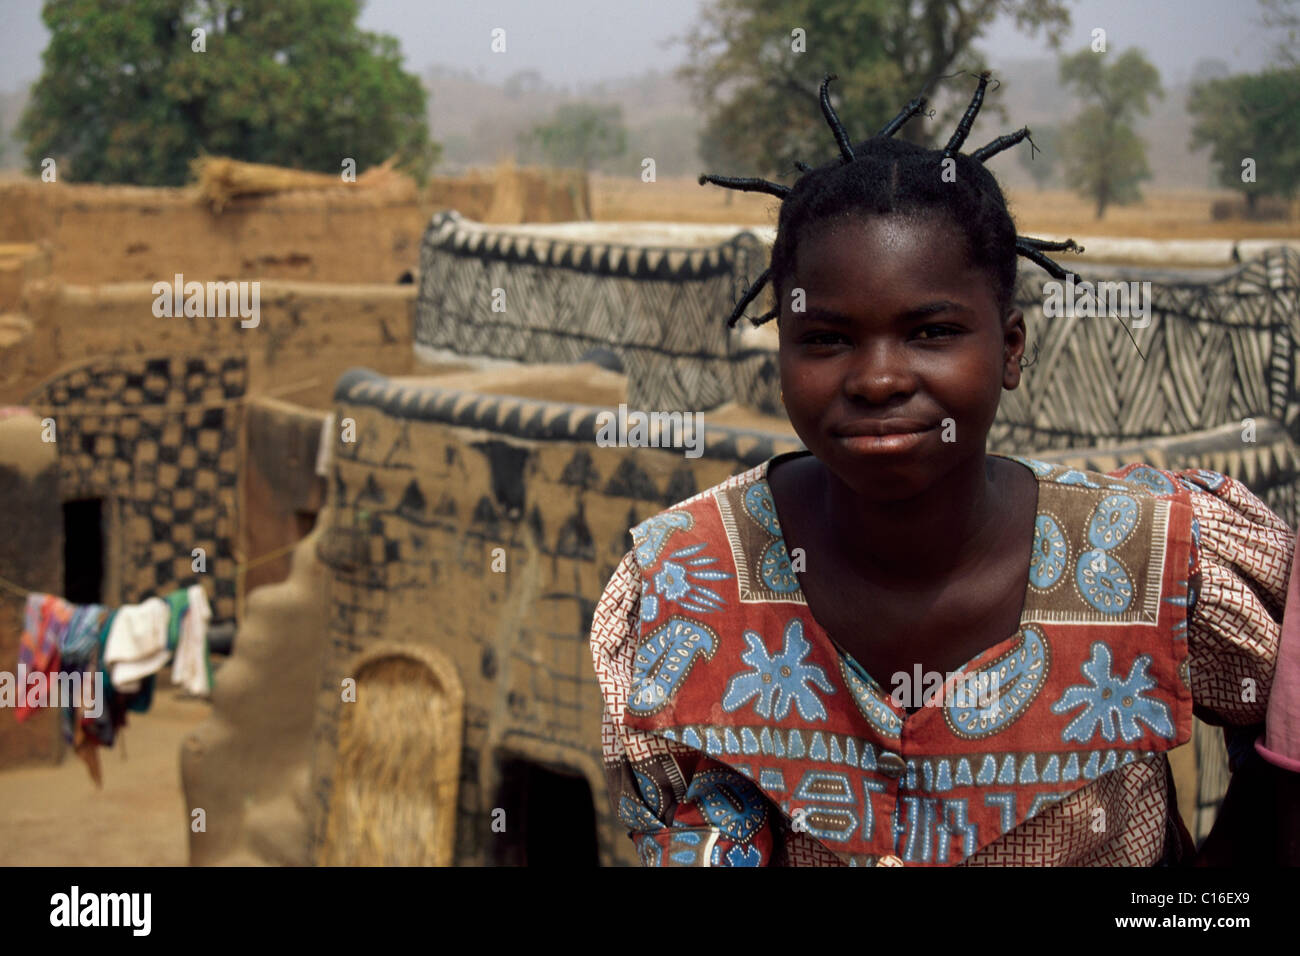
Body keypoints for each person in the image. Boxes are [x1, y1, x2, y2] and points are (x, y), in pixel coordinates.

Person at [588, 73, 1298, 866]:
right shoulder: (688, 580)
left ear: (1012, 348)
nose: (878, 379)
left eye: (931, 332)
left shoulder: (1159, 556)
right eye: (826, 339)